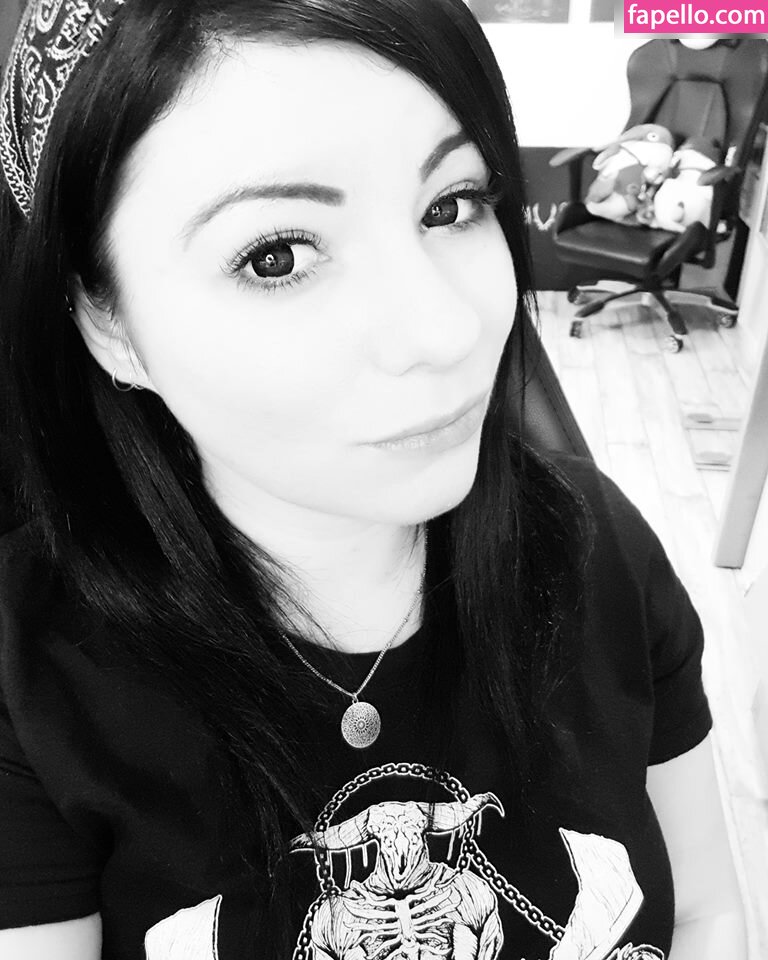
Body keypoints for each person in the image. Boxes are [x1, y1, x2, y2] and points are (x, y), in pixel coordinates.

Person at [0, 1, 746, 958]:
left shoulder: (595, 547)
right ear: (109, 324)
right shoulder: (29, 688)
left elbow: (706, 914)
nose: (445, 329)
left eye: (452, 205)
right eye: (277, 256)